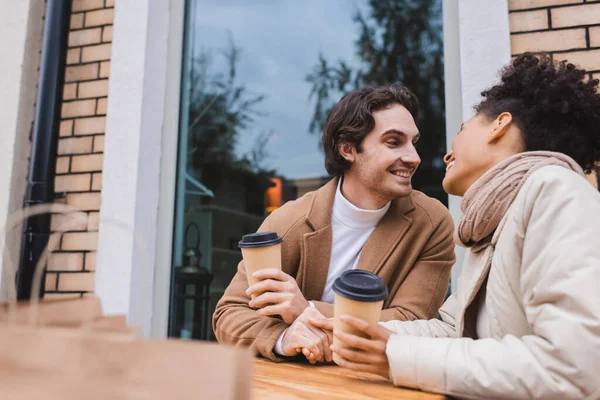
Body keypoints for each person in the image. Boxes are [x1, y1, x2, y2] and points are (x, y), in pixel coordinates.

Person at [312, 54, 600, 399]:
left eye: (462, 130)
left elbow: (576, 368)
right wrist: (359, 333)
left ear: (500, 125)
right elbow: (453, 330)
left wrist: (394, 355)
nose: (445, 155)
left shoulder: (556, 191)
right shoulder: (496, 221)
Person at [213, 84, 456, 363]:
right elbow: (230, 313)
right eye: (393, 142)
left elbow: (412, 320)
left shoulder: (431, 222)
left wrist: (308, 311)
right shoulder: (289, 221)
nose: (414, 157)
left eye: (414, 142)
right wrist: (282, 338)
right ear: (348, 149)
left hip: (374, 383)